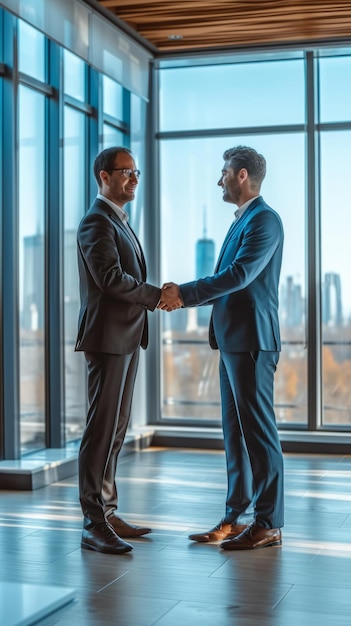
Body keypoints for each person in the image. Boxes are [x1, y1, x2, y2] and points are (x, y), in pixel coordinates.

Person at [158, 146, 284, 550]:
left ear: (242, 175)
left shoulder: (264, 220)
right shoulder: (242, 220)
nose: (220, 180)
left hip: (252, 341)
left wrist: (185, 294)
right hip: (233, 340)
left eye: (224, 172)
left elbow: (239, 275)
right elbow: (227, 277)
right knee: (235, 434)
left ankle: (268, 523)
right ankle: (236, 516)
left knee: (259, 434)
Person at [75, 147, 161, 554]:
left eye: (136, 172)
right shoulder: (96, 221)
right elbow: (110, 279)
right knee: (100, 430)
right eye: (125, 172)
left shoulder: (119, 221)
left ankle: (108, 512)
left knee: (117, 429)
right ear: (103, 177)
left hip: (127, 337)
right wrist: (157, 297)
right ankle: (93, 523)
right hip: (108, 340)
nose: (134, 178)